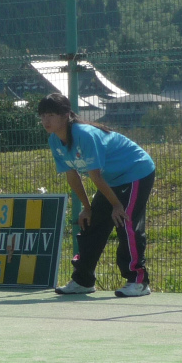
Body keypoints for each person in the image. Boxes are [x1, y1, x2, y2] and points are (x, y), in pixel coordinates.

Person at [37, 93, 155, 298]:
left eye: (51, 115)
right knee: (91, 224)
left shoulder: (85, 135)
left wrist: (117, 206)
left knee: (125, 221)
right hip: (111, 180)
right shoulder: (54, 140)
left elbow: (95, 177)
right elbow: (72, 177)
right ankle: (83, 281)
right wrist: (87, 208)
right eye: (42, 115)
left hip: (135, 171)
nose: (46, 120)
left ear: (65, 115)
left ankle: (138, 281)